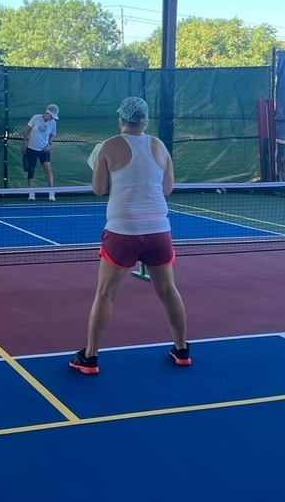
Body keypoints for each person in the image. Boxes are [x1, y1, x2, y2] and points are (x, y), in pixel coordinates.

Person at [70, 96, 189, 375]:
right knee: (169, 290)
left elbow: (99, 189)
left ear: (121, 119)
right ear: (145, 120)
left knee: (105, 294)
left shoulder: (109, 146)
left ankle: (90, 357)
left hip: (123, 231)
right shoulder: (159, 146)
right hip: (159, 230)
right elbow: (168, 189)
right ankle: (182, 349)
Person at [22, 104, 59, 200]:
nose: (51, 119)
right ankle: (31, 194)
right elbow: (26, 130)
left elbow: (53, 135)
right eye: (51, 116)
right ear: (47, 113)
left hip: (44, 150)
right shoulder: (36, 118)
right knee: (31, 171)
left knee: (48, 169)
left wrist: (49, 145)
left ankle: (51, 193)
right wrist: (24, 143)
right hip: (31, 149)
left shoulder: (53, 123)